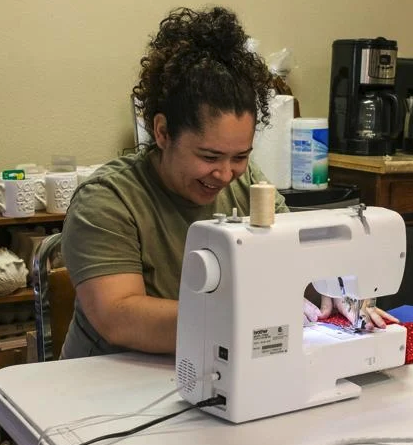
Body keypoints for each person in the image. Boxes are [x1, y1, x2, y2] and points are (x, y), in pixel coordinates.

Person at [60, 6, 395, 359]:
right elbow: (119, 317)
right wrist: (248, 315)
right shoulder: (108, 201)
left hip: (207, 365)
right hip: (107, 383)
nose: (224, 175)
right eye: (208, 157)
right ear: (162, 132)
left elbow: (297, 259)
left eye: (239, 156)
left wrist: (328, 288)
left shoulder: (246, 185)